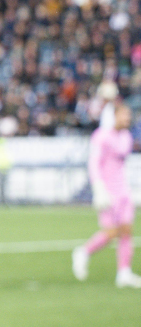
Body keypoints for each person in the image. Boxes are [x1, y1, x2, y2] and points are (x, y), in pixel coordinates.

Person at [73, 105, 141, 287]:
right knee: (112, 232)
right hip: (107, 190)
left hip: (123, 190)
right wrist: (98, 187)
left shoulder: (126, 137)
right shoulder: (101, 136)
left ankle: (124, 272)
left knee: (127, 230)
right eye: (124, 114)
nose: (127, 118)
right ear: (114, 116)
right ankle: (84, 252)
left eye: (128, 114)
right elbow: (94, 163)